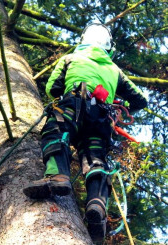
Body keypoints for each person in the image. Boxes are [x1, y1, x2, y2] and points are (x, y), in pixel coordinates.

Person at [23, 23, 147, 242]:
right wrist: (117, 104)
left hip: (73, 105)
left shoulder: (70, 59)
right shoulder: (114, 69)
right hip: (101, 117)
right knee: (96, 158)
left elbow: (53, 88)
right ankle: (97, 207)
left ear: (83, 40)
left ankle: (57, 176)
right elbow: (140, 100)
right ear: (108, 46)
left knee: (57, 133)